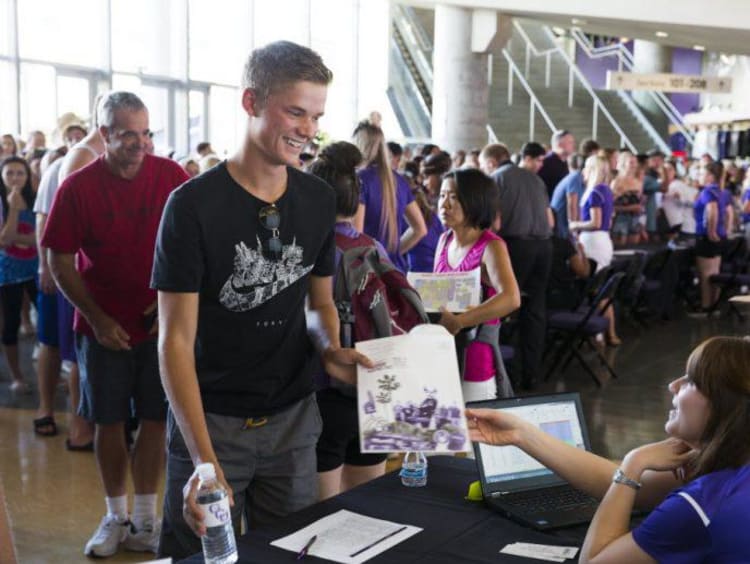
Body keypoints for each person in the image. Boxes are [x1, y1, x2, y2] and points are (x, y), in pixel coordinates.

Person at [151, 41, 371, 560]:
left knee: (290, 549)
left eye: (316, 115)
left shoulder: (317, 199)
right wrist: (204, 459)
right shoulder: (191, 206)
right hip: (211, 421)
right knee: (200, 554)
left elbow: (318, 305)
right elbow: (174, 341)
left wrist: (330, 348)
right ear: (251, 102)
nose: (309, 129)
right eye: (295, 111)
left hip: (292, 421)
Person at [43, 91, 189, 558]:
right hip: (101, 327)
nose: (140, 144)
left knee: (153, 419)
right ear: (103, 134)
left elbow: (197, 240)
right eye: (128, 134)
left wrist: (171, 297)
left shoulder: (171, 176)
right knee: (107, 420)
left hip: (159, 326)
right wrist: (97, 317)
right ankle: (115, 514)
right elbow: (60, 261)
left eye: (147, 133)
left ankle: (145, 519)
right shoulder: (77, 186)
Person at [467, 335, 750, 562]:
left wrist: (633, 463)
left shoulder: (701, 505)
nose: (673, 385)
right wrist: (522, 433)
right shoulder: (733, 466)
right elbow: (622, 485)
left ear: (725, 405)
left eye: (691, 381)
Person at [306, 141, 389, 500]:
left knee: (320, 517)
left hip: (324, 391)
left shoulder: (309, 251)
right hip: (375, 386)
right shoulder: (376, 249)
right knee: (368, 511)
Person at [435, 168, 520, 402]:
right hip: (444, 355)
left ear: (474, 201)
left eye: (453, 197)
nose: (444, 204)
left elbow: (511, 297)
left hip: (475, 360)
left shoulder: (491, 246)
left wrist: (460, 321)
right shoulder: (444, 240)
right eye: (442, 196)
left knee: (475, 433)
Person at [33, 116, 90, 442]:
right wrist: (44, 266)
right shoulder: (56, 169)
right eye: (71, 135)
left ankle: (80, 420)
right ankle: (45, 407)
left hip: (81, 269)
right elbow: (42, 218)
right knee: (52, 343)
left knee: (73, 349)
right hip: (58, 266)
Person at [489, 142, 553, 391]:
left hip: (517, 247)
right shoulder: (535, 180)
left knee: (503, 306)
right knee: (535, 311)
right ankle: (532, 374)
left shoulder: (497, 179)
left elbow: (495, 222)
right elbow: (550, 218)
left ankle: (503, 371)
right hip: (544, 247)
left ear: (492, 162)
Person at [352, 120, 427, 272]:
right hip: (395, 270)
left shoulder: (359, 180)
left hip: (368, 272)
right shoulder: (399, 180)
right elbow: (420, 229)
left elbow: (356, 235)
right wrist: (390, 253)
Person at [0, 156, 38, 394]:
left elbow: (40, 237)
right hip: (8, 273)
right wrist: (13, 210)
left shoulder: (35, 199)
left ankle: (51, 371)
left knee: (46, 321)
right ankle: (17, 375)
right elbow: (4, 240)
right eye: (10, 173)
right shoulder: (3, 203)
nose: (15, 178)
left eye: (20, 173)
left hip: (35, 269)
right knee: (11, 324)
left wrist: (17, 238)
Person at [692, 161, 733, 314]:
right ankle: (714, 305)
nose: (699, 176)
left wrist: (711, 231)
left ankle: (705, 306)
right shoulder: (723, 191)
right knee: (714, 274)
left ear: (710, 176)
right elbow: (729, 213)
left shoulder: (707, 192)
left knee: (705, 275)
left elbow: (712, 210)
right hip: (720, 237)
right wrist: (726, 230)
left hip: (706, 237)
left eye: (702, 173)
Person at [571, 155, 615, 272]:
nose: (583, 171)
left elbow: (596, 223)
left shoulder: (595, 192)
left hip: (593, 242)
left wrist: (574, 225)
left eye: (586, 167)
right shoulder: (606, 190)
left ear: (591, 169)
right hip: (604, 239)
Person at [610, 151, 644, 247]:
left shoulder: (638, 182)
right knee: (620, 247)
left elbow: (640, 202)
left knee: (634, 247)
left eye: (635, 162)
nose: (634, 165)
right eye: (631, 162)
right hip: (620, 219)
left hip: (635, 219)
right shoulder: (616, 181)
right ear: (623, 163)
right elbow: (610, 204)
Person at [538, 129, 575, 198]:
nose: (573, 145)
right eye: (570, 142)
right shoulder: (546, 163)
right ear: (559, 144)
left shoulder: (565, 162)